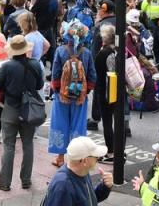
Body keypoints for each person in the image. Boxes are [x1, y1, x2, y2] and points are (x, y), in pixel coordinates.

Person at [0, 34, 44, 192]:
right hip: (29, 110)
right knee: (28, 144)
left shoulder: (7, 66)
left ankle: (4, 182)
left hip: (11, 108)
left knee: (9, 146)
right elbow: (40, 84)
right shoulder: (35, 64)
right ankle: (26, 180)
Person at [48, 21, 97, 167]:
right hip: (80, 96)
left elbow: (55, 74)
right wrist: (85, 91)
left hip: (62, 95)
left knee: (60, 124)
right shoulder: (86, 53)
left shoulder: (60, 51)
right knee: (78, 125)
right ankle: (77, 158)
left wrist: (57, 90)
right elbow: (92, 75)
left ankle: (60, 157)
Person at [40, 136, 114, 205]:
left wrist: (105, 187)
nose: (98, 159)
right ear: (85, 161)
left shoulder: (83, 172)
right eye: (96, 156)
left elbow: (90, 199)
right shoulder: (63, 186)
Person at [94, 24, 118, 163]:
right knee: (118, 121)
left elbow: (108, 73)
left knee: (107, 122)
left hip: (106, 91)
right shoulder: (118, 50)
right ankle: (118, 150)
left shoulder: (104, 53)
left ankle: (111, 153)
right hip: (117, 90)